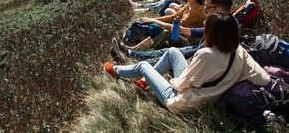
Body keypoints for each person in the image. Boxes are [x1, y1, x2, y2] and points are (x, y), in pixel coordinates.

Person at [105, 11, 271, 113]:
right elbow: (264, 79)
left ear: (214, 32)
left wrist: (169, 80)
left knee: (143, 65)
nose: (205, 23)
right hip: (207, 98)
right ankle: (144, 82)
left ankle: (116, 71)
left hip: (182, 103)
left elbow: (181, 85)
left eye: (208, 24)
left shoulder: (207, 54)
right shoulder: (240, 51)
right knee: (173, 52)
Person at [113, 0, 233, 65]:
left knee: (168, 50)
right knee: (166, 50)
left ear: (219, 9)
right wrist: (155, 20)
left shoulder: (217, 21)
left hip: (195, 51)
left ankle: (131, 60)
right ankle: (130, 53)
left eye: (208, 7)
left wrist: (184, 52)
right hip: (194, 46)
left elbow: (202, 49)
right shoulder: (220, 20)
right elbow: (201, 31)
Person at [121, 0, 208, 52]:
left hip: (191, 43)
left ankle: (134, 50)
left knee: (166, 33)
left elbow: (176, 28)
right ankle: (138, 46)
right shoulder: (190, 4)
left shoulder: (197, 11)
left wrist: (155, 20)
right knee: (158, 27)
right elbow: (174, 16)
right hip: (183, 35)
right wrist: (154, 18)